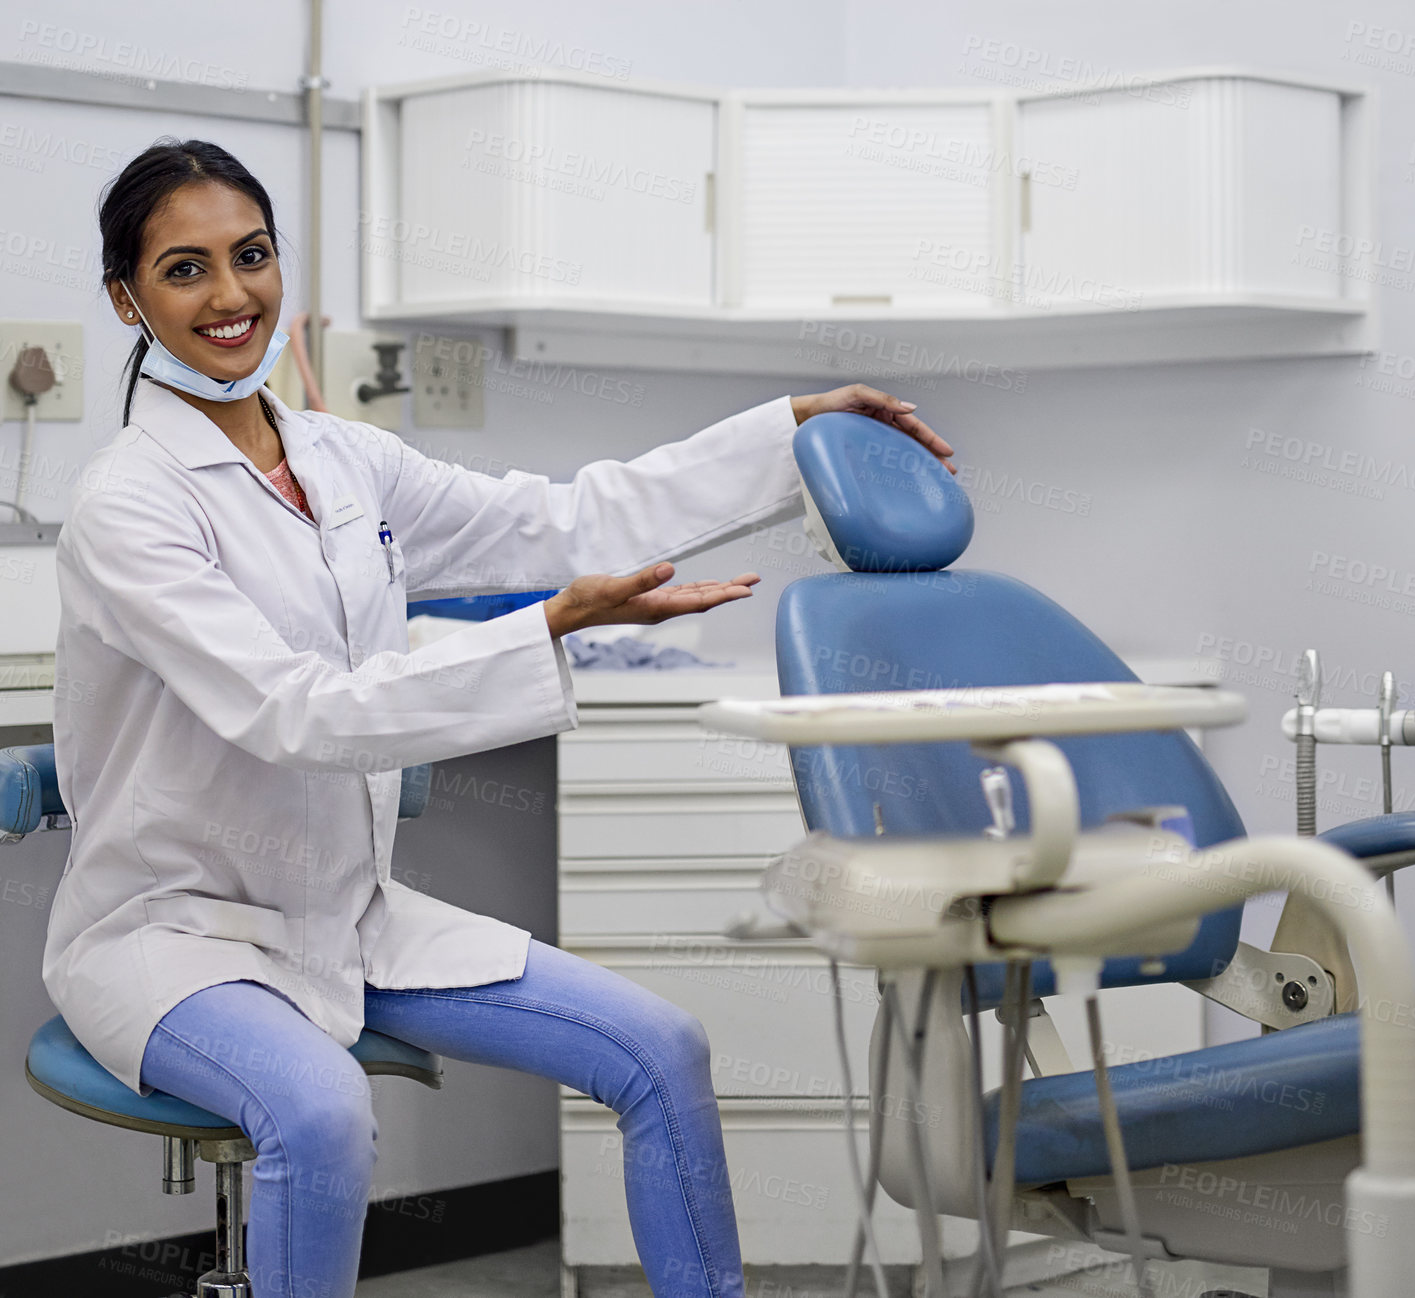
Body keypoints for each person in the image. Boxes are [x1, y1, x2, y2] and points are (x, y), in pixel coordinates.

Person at [43, 136, 956, 1298]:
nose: (232, 295)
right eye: (186, 269)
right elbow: (296, 713)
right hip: (170, 938)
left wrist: (786, 437)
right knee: (321, 1115)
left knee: (659, 1049)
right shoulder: (128, 505)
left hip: (345, 913)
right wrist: (546, 629)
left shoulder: (343, 460)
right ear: (129, 296)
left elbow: (563, 521)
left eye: (252, 254)